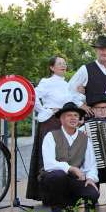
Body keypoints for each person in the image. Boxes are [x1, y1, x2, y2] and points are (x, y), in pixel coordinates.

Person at [27, 56, 75, 201]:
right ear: (52, 67)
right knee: (49, 158)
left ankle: (66, 194)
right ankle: (48, 196)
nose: (63, 66)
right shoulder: (46, 82)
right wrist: (45, 111)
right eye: (59, 64)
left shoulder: (68, 84)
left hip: (65, 123)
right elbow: (32, 96)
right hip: (51, 123)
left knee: (67, 157)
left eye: (64, 64)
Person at [39, 102, 99, 212]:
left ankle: (70, 203)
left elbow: (91, 164)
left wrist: (91, 178)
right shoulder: (51, 136)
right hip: (54, 179)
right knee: (58, 175)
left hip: (74, 180)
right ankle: (58, 207)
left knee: (93, 195)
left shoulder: (85, 138)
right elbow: (48, 163)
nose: (73, 118)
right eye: (69, 115)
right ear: (61, 119)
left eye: (76, 115)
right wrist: (71, 168)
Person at [68, 35, 106, 115]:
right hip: (93, 118)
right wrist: (81, 105)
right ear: (96, 50)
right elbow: (69, 90)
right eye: (101, 49)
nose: (105, 52)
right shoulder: (85, 69)